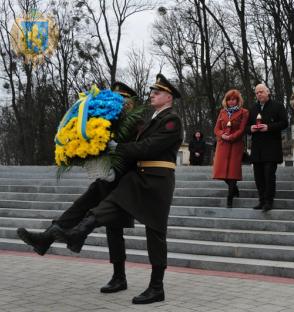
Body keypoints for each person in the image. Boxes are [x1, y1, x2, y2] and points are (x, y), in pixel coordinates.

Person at [17, 73, 183, 305]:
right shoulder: (133, 119)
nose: (152, 95)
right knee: (88, 207)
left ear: (168, 97)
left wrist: (118, 150)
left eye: (157, 92)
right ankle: (57, 237)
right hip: (130, 178)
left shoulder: (168, 120)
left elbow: (146, 147)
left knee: (154, 233)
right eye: (152, 91)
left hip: (151, 180)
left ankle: (155, 286)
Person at [247, 84, 288, 211]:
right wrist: (251, 129)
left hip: (272, 147)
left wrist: (268, 127)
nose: (259, 94)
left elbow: (284, 123)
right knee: (258, 177)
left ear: (268, 92)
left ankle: (269, 201)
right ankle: (261, 200)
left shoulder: (278, 106)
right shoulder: (253, 108)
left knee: (269, 175)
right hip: (257, 147)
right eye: (257, 92)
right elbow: (246, 127)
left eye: (261, 92)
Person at [212, 89, 249, 208]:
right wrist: (222, 135)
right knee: (220, 171)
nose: (231, 102)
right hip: (222, 144)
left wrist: (231, 137)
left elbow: (242, 129)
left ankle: (230, 196)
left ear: (238, 100)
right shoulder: (222, 112)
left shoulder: (244, 112)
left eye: (233, 99)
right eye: (229, 99)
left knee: (233, 171)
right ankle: (235, 188)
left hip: (235, 144)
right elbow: (216, 128)